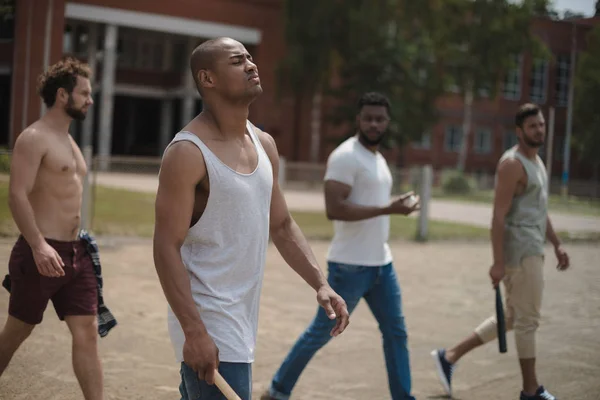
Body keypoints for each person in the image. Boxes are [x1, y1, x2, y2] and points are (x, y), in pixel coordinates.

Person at [153, 37, 350, 400]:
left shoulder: (264, 144)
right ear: (207, 79)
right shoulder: (187, 153)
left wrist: (320, 283)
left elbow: (282, 225)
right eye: (237, 61)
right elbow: (166, 246)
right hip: (209, 321)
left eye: (250, 58)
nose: (251, 65)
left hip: (242, 320)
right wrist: (194, 332)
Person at [261, 92, 420, 400]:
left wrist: (391, 209)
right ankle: (278, 391)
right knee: (320, 334)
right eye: (368, 118)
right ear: (358, 120)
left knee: (396, 333)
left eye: (380, 119)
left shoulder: (378, 159)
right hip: (350, 267)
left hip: (381, 265)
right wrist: (390, 208)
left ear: (388, 122)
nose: (374, 124)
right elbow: (335, 208)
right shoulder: (345, 156)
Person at [431, 103, 569, 400]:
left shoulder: (537, 162)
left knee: (512, 316)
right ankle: (531, 391)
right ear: (519, 131)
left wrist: (556, 244)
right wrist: (497, 262)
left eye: (541, 125)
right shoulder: (512, 165)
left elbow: (540, 210)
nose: (539, 130)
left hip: (534, 248)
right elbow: (498, 216)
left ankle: (449, 356)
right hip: (520, 253)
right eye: (533, 126)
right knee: (528, 321)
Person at [0, 57, 113, 400]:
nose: (90, 100)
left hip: (76, 254)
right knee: (17, 332)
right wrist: (38, 245)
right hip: (41, 252)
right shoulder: (34, 138)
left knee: (88, 332)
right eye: (85, 94)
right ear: (63, 96)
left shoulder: (70, 143)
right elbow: (17, 195)